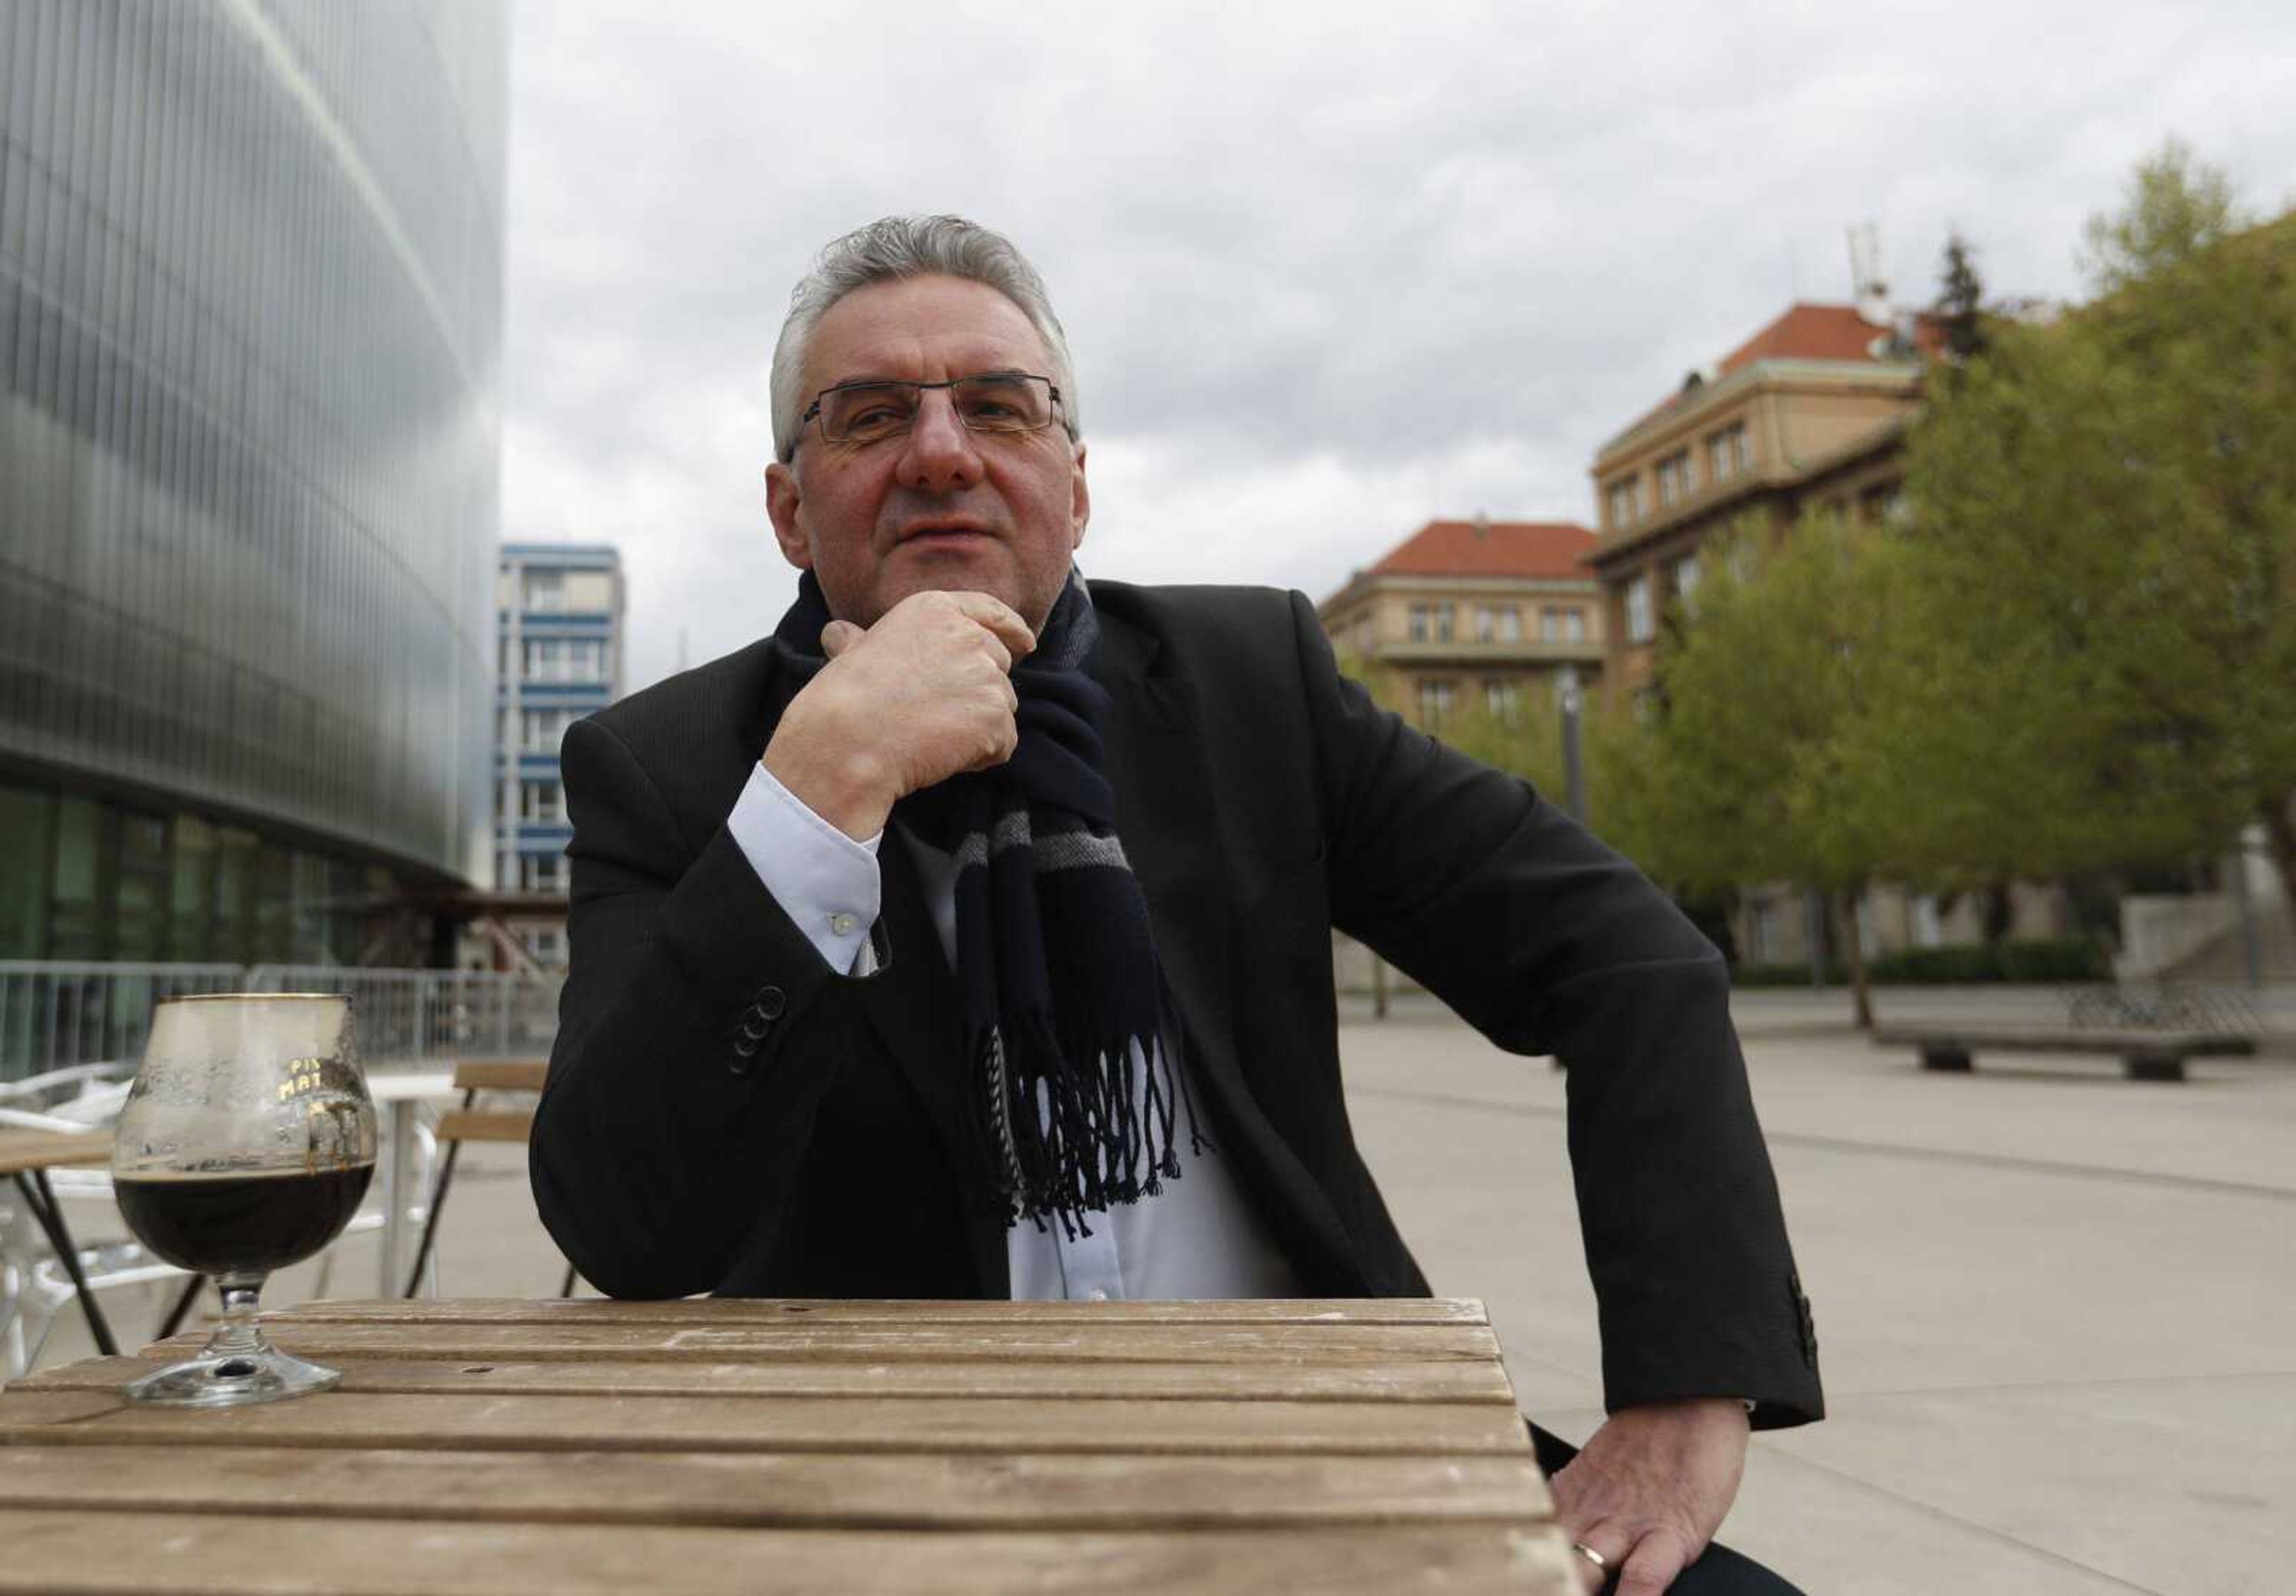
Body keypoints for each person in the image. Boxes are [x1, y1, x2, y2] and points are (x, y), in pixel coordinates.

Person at [531, 215, 1822, 1595]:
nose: (943, 451)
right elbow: (629, 1228)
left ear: (1073, 488)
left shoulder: (1250, 681)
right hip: (903, 1504)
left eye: (999, 406)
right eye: (868, 417)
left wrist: (1691, 1381)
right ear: (791, 509)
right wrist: (815, 796)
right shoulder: (668, 772)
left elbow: (1626, 959)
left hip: (1332, 1456)